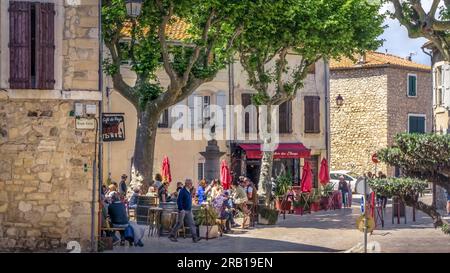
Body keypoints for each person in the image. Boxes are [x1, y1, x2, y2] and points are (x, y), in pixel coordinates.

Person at [168, 179, 201, 243]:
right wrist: (181, 209)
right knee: (179, 223)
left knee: (192, 224)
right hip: (183, 210)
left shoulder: (188, 190)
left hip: (188, 210)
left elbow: (188, 199)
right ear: (187, 184)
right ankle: (172, 235)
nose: (191, 185)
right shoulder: (182, 191)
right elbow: (179, 200)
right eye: (190, 183)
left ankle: (195, 238)